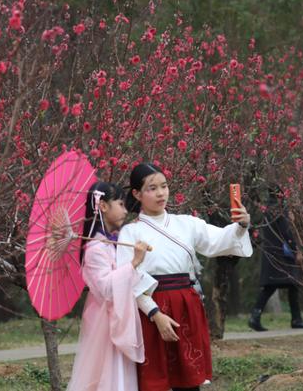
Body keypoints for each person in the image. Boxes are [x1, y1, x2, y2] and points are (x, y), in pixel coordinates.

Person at [117, 163, 253, 391]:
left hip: (186, 306)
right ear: (136, 194)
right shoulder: (130, 232)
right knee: (155, 380)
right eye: (152, 188)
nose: (161, 193)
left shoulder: (186, 223)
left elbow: (220, 240)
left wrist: (241, 225)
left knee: (189, 380)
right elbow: (130, 278)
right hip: (151, 310)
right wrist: (155, 314)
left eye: (164, 186)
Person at [67, 181, 157, 391]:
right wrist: (133, 263)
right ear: (104, 206)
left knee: (121, 375)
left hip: (118, 318)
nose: (126, 210)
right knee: (108, 376)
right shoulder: (94, 249)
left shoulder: (114, 243)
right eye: (121, 204)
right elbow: (106, 289)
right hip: (105, 324)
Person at [248, 186, 303, 331]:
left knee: (273, 286)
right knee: (290, 285)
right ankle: (296, 319)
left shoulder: (267, 210)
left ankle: (255, 316)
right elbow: (286, 233)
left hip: (270, 254)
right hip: (281, 255)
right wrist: (296, 250)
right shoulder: (279, 210)